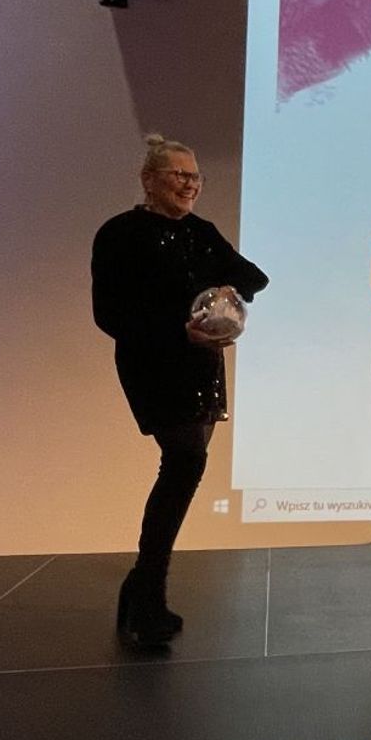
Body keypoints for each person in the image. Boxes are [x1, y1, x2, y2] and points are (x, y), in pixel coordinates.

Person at [92, 135, 269, 649]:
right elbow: (109, 314)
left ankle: (143, 588)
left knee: (185, 466)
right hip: (153, 361)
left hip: (200, 363)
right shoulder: (121, 234)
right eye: (179, 175)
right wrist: (178, 329)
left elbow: (254, 277)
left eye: (196, 177)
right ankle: (147, 591)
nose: (190, 184)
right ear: (149, 179)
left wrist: (229, 292)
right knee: (185, 460)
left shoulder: (200, 232)